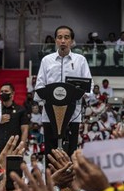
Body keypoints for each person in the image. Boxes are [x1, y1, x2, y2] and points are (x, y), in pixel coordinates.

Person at [34, 25, 93, 155]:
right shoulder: (46, 61)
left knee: (70, 153)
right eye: (59, 37)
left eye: (66, 37)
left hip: (73, 115)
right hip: (49, 115)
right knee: (50, 154)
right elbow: (39, 87)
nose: (63, 41)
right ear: (55, 40)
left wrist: (81, 94)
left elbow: (89, 88)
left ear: (71, 41)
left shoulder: (80, 60)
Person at [0, 83, 29, 150]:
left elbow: (24, 129)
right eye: (1, 92)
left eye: (6, 91)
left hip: (14, 147)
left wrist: (21, 146)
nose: (3, 93)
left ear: (12, 93)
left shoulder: (20, 110)